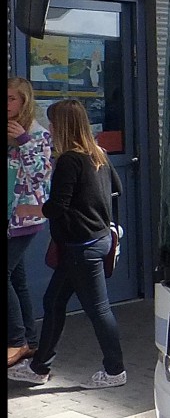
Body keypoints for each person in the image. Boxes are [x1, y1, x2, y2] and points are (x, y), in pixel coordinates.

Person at [8, 98, 126, 388]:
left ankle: (115, 370)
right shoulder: (97, 153)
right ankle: (39, 367)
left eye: (52, 122)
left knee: (98, 309)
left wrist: (29, 210)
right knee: (53, 301)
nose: (50, 127)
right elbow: (118, 189)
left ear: (62, 126)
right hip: (94, 240)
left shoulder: (69, 160)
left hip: (80, 247)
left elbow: (57, 206)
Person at [8, 77, 53, 368]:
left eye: (11, 98)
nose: (6, 104)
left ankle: (16, 339)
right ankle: (32, 342)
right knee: (18, 279)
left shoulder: (38, 134)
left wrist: (23, 141)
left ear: (25, 101)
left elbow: (40, 177)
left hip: (24, 215)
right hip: (8, 215)